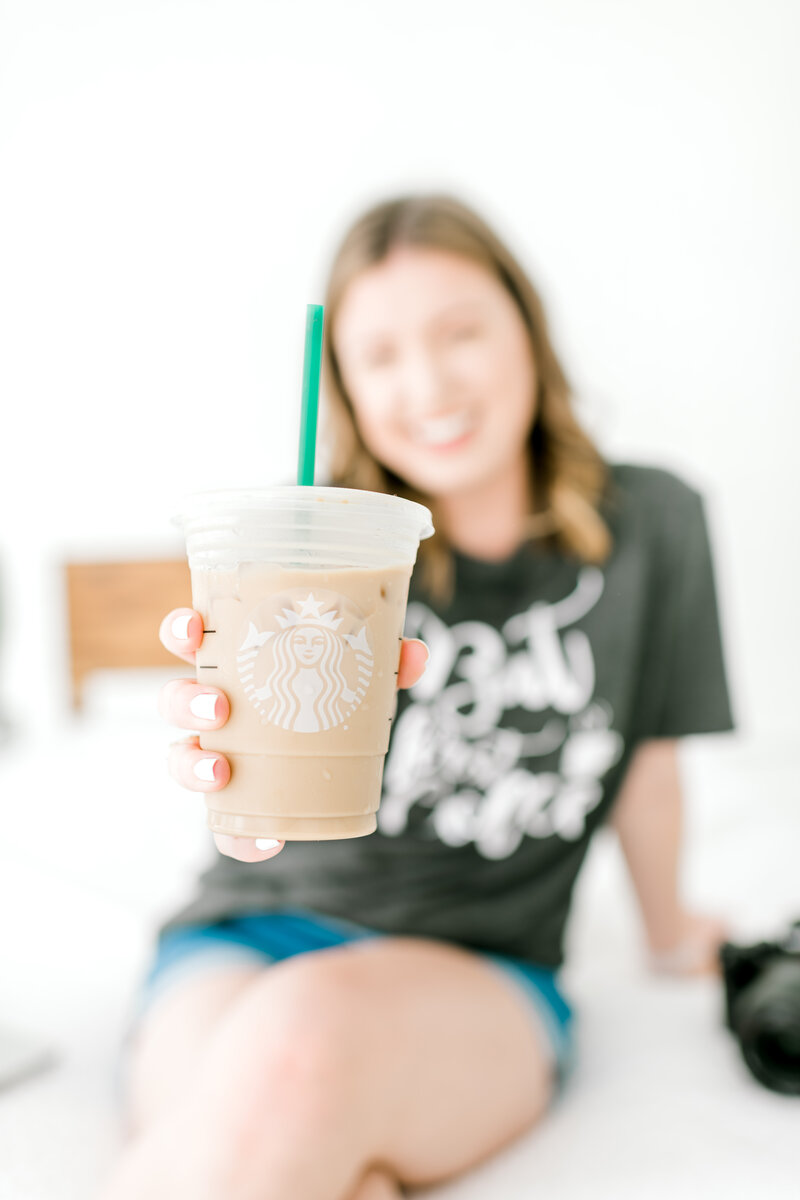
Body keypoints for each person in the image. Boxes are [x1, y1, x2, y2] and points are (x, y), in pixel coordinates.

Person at [100, 194, 735, 1199]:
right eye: (380, 354)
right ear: (344, 385)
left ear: (524, 329)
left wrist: (666, 931)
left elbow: (645, 760)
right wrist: (233, 780)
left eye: (459, 333)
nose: (427, 382)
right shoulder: (306, 555)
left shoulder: (653, 525)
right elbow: (251, 787)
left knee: (296, 1048)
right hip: (240, 939)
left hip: (474, 966)